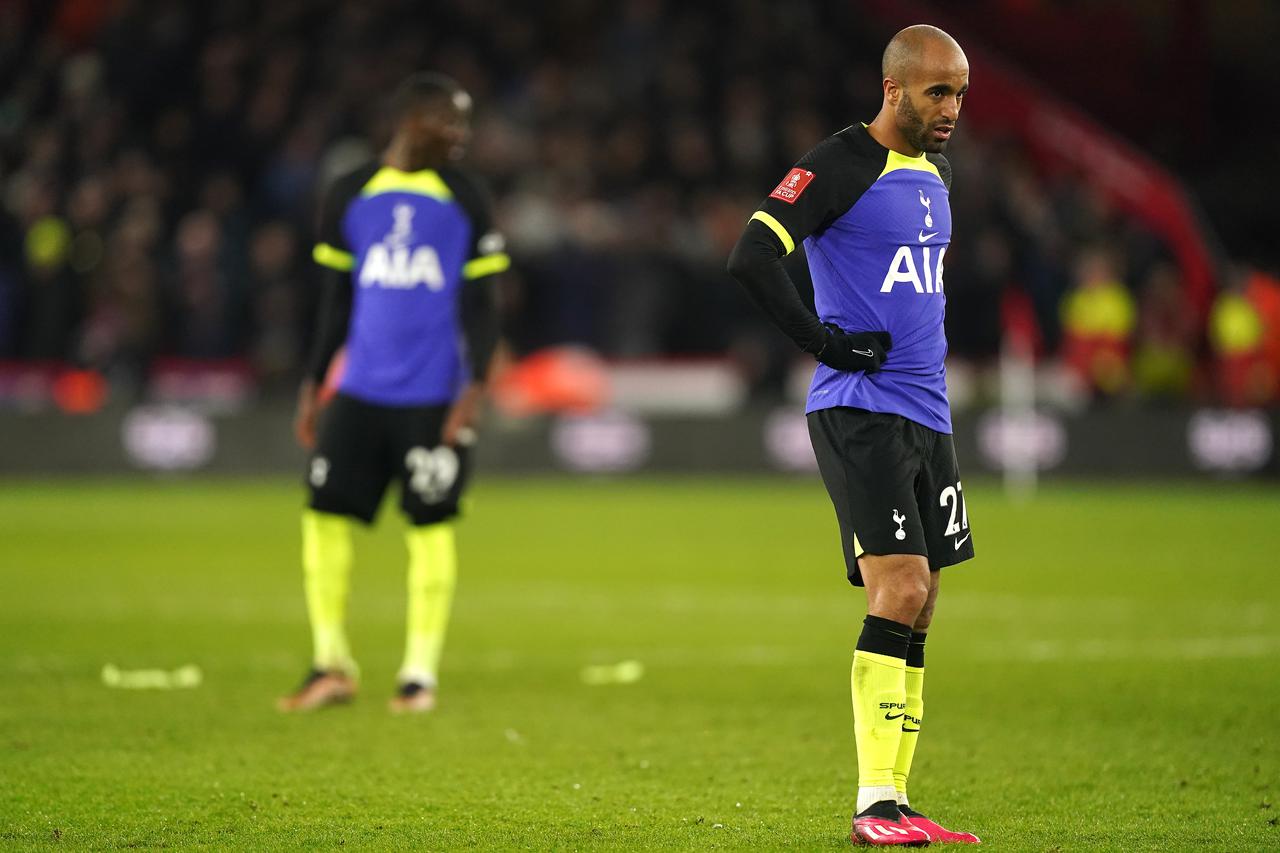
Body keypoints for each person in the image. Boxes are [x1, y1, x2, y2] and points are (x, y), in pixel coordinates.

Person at [727, 25, 980, 846]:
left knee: (926, 599)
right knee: (899, 587)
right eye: (938, 91)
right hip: (859, 407)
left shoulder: (937, 174)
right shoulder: (839, 162)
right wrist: (827, 342)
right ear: (894, 88)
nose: (952, 109)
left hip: (928, 412)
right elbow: (752, 255)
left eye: (961, 94)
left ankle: (899, 801)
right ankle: (873, 802)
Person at [278, 72, 507, 714]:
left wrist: (476, 388)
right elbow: (335, 298)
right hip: (359, 390)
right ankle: (330, 663)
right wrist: (311, 386)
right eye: (450, 120)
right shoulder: (350, 192)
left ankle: (417, 677)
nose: (461, 134)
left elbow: (485, 304)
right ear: (411, 120)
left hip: (434, 394)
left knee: (430, 524)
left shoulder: (466, 196)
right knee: (322, 516)